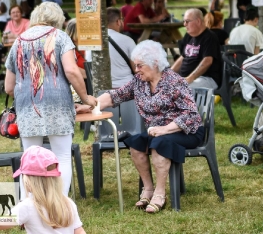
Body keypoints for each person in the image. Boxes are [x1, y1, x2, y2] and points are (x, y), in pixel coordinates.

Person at [75, 40, 204, 213]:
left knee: (159, 143)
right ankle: (148, 188)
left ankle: (160, 193)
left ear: (155, 63)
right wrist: (90, 106)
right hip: (157, 131)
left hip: (186, 131)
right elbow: (115, 96)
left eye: (140, 66)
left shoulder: (175, 82)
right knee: (135, 143)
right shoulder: (139, 82)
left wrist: (164, 129)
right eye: (135, 65)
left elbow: (191, 115)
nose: (136, 70)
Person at [4, 2, 97, 197]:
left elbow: (8, 87)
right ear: (58, 20)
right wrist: (85, 97)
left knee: (29, 158)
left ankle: (28, 208)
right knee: (62, 155)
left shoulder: (18, 41)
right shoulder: (60, 37)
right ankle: (60, 206)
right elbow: (72, 70)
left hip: (28, 108)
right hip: (58, 106)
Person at [0, 146, 86, 233]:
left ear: (29, 182)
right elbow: (79, 231)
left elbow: (0, 224)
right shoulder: (68, 203)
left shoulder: (27, 206)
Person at [171, 8, 222, 90]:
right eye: (184, 21)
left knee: (179, 89)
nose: (184, 24)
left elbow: (207, 61)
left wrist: (189, 78)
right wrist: (168, 74)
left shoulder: (209, 37)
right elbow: (182, 58)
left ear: (198, 21)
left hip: (206, 78)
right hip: (187, 79)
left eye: (187, 21)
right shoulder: (189, 36)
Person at [107, 7, 136, 88]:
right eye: (122, 19)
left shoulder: (94, 42)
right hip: (126, 88)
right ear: (118, 22)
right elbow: (137, 69)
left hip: (101, 89)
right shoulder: (127, 40)